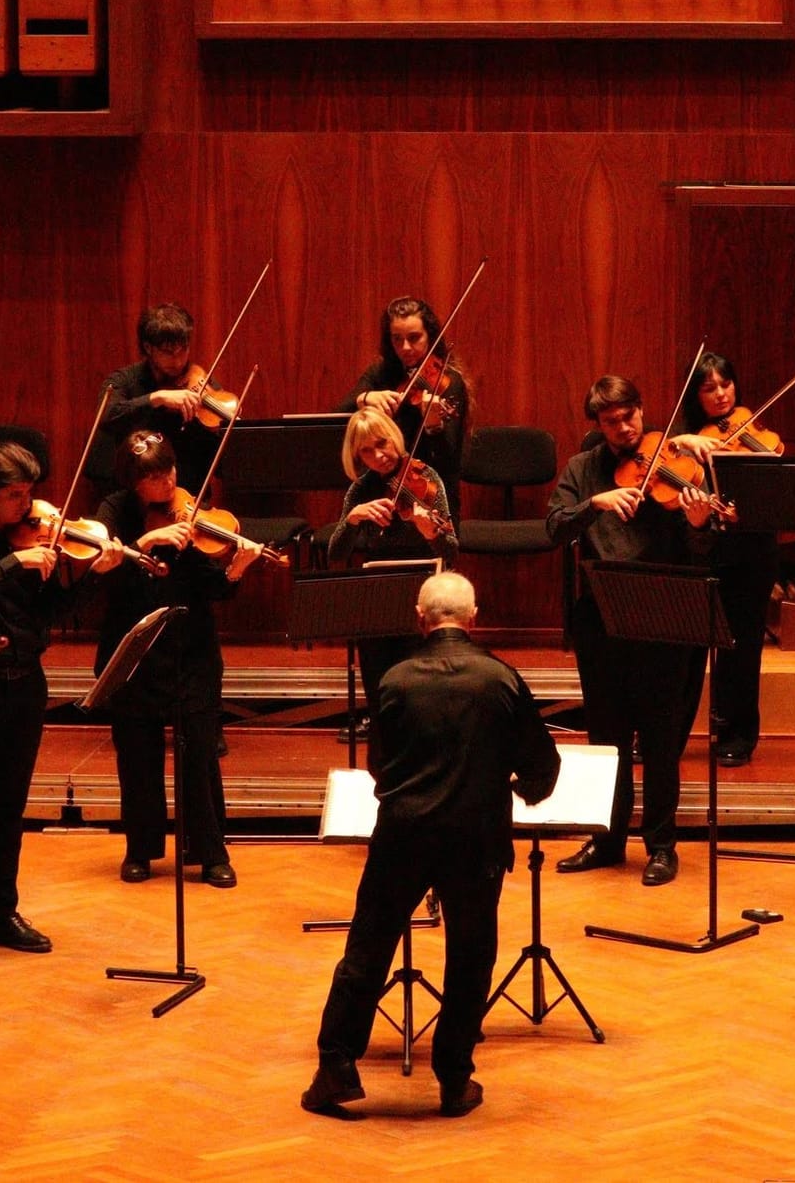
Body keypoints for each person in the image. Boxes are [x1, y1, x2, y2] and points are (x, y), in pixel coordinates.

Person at [303, 571, 560, 1120]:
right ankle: (453, 1079)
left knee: (368, 949)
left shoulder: (394, 680)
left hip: (403, 833)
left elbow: (379, 766)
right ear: (474, 619)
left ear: (419, 619)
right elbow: (543, 766)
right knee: (470, 957)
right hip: (476, 838)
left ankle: (336, 1068)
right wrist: (513, 789)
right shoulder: (501, 678)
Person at [0, 440, 122, 964]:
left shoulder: (37, 535)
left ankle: (1, 912)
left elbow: (52, 612)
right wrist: (14, 562)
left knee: (9, 807)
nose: (28, 505)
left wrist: (94, 577)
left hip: (25, 686)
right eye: (14, 495)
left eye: (29, 493)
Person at [546, 375, 717, 888]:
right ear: (598, 425)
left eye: (629, 417)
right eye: (611, 421)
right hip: (602, 618)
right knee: (607, 738)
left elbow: (704, 551)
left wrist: (700, 522)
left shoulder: (677, 464)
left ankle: (661, 846)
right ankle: (607, 840)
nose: (623, 429)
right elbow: (554, 526)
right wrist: (594, 504)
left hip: (664, 616)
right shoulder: (583, 469)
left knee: (662, 739)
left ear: (642, 411)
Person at [94, 430, 260, 887]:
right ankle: (140, 850)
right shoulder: (114, 512)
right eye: (153, 477)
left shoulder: (192, 508)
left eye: (168, 470)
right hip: (137, 649)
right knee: (137, 754)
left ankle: (209, 853)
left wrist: (236, 569)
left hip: (191, 647)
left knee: (200, 752)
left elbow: (212, 586)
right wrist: (147, 542)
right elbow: (104, 577)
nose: (167, 482)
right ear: (133, 482)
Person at [661, 352, 778, 767]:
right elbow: (654, 458)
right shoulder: (681, 437)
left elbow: (774, 489)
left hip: (750, 553)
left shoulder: (753, 430)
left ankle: (737, 735)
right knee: (685, 654)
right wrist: (683, 442)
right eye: (709, 388)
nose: (721, 395)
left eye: (726, 384)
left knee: (741, 651)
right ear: (695, 395)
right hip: (699, 554)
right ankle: (667, 736)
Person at [324, 408, 459, 733]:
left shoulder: (425, 477)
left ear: (394, 437)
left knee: (415, 656)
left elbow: (451, 551)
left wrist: (430, 533)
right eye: (366, 451)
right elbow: (336, 554)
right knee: (373, 646)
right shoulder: (362, 489)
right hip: (380, 582)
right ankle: (381, 719)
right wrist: (352, 519)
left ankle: (422, 723)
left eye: (382, 443)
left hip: (424, 583)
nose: (378, 456)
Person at [340, 297, 471, 508]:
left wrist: (433, 426)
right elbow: (339, 414)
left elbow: (449, 461)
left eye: (414, 338)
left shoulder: (448, 382)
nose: (405, 347)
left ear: (430, 336)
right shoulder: (380, 373)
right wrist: (364, 398)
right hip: (381, 487)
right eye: (397, 339)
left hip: (431, 493)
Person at [101, 302, 221, 496]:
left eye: (183, 350)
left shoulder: (201, 384)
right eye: (168, 352)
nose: (178, 361)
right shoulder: (124, 380)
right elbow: (108, 415)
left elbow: (221, 460)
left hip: (191, 496)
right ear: (148, 347)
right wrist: (156, 398)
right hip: (137, 497)